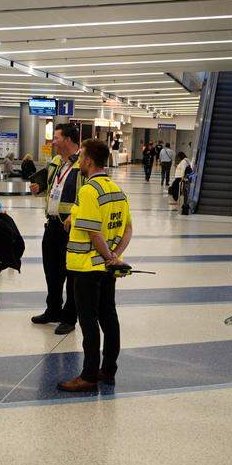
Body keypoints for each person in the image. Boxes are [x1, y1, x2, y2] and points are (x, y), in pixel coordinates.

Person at [58, 138, 133, 393]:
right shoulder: (116, 190)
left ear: (88, 160)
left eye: (81, 157)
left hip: (86, 268)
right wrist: (115, 257)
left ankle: (88, 375)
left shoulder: (89, 190)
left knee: (88, 321)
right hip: (106, 270)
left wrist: (107, 256)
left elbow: (93, 233)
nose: (79, 160)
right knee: (109, 318)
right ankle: (108, 370)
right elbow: (128, 229)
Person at [29, 122, 81, 336]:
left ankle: (69, 317)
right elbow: (53, 188)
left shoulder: (82, 165)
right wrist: (39, 188)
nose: (53, 142)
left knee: (71, 273)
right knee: (51, 270)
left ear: (67, 139)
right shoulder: (57, 162)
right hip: (52, 225)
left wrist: (75, 216)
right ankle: (53, 309)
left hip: (72, 228)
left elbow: (86, 195)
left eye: (56, 138)